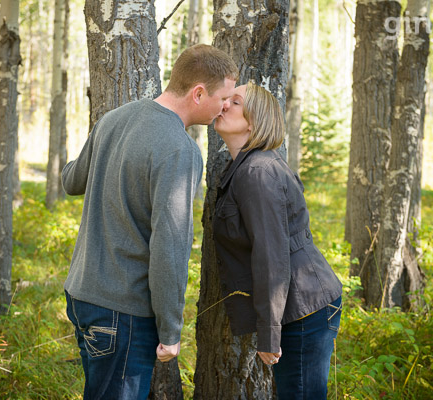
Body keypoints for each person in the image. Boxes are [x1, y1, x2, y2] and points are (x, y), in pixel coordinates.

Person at [62, 44, 238, 400]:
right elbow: (169, 247)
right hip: (122, 312)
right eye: (224, 97)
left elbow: (71, 181)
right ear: (198, 92)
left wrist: (108, 153)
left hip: (81, 296)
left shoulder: (113, 118)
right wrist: (170, 329)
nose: (225, 107)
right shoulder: (181, 149)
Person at [212, 82, 343, 399]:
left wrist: (269, 333)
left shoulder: (257, 172)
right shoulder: (245, 168)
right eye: (225, 99)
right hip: (298, 305)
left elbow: (271, 255)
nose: (224, 104)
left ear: (254, 122)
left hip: (303, 310)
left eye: (236, 102)